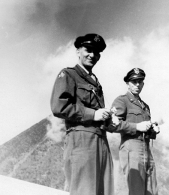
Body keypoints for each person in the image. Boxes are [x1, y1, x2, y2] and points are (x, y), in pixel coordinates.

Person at [50, 33, 114, 195]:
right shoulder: (69, 75)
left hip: (101, 141)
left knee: (104, 191)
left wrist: (107, 119)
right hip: (81, 141)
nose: (93, 55)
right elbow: (59, 106)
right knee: (84, 191)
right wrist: (93, 114)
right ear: (78, 51)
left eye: (97, 52)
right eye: (88, 50)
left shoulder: (96, 83)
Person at [109, 68, 159, 195]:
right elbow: (112, 125)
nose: (137, 84)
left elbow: (145, 128)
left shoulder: (145, 106)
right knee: (137, 190)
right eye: (134, 81)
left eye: (140, 81)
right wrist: (137, 127)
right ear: (127, 83)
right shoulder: (122, 101)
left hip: (146, 148)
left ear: (143, 84)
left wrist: (153, 130)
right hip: (131, 148)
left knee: (151, 190)